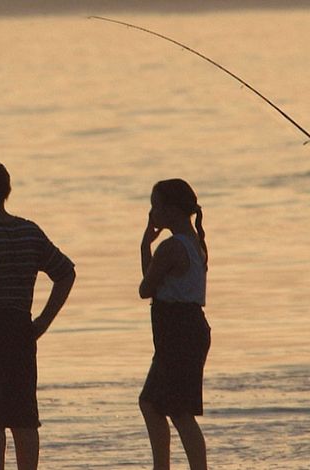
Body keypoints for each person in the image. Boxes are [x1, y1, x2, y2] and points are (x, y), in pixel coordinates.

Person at [0, 160, 77, 470]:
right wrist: (42, 322)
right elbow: (65, 273)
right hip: (21, 327)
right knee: (24, 415)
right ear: (6, 192)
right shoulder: (29, 231)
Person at [137, 179, 211, 470]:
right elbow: (153, 282)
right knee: (156, 404)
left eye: (156, 205)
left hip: (179, 331)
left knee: (174, 409)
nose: (152, 211)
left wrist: (146, 245)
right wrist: (145, 245)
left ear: (171, 209)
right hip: (187, 329)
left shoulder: (170, 247)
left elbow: (145, 289)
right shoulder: (195, 242)